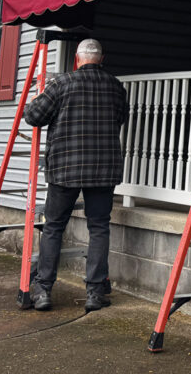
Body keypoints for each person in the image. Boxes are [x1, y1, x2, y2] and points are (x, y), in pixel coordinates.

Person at [24, 38, 127, 313]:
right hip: (103, 169)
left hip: (65, 168)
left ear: (78, 59)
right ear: (101, 58)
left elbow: (33, 116)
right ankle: (94, 293)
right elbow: (120, 119)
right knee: (99, 228)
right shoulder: (116, 87)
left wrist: (35, 97)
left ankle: (43, 290)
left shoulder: (61, 84)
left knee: (53, 227)